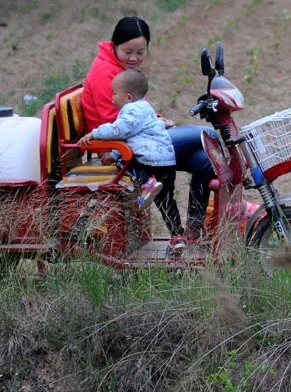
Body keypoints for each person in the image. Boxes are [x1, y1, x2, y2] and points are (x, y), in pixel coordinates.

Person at [82, 16, 215, 237]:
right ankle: (227, 147)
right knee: (205, 135)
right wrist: (155, 124)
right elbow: (116, 124)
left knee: (205, 162)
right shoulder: (105, 73)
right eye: (128, 51)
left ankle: (193, 228)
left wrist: (157, 120)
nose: (134, 58)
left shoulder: (119, 67)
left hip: (138, 139)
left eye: (140, 52)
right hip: (120, 147)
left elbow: (134, 113)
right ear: (114, 45)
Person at [78, 69, 186, 251]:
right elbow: (131, 139)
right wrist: (113, 153)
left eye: (114, 93)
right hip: (166, 161)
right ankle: (177, 236)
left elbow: (120, 131)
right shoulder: (145, 108)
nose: (112, 98)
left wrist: (94, 134)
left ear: (128, 97)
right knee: (166, 201)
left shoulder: (131, 110)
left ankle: (147, 182)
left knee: (123, 163)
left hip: (150, 162)